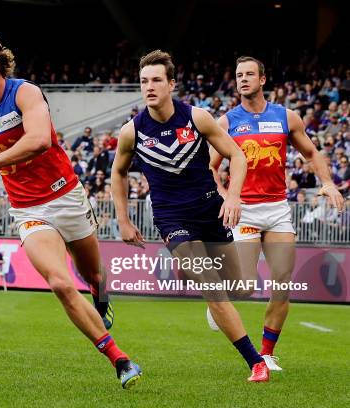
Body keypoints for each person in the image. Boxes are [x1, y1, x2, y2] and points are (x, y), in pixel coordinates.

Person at [0, 29, 141, 389]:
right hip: (28, 210)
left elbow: (40, 140)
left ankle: (100, 299)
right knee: (59, 283)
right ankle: (119, 359)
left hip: (67, 196)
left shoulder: (24, 92)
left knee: (95, 276)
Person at [111, 50, 270, 382]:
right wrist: (124, 220)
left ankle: (217, 308)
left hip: (211, 211)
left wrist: (234, 196)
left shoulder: (197, 118)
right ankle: (256, 362)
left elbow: (237, 156)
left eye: (156, 80)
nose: (149, 87)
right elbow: (119, 173)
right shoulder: (132, 131)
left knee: (239, 287)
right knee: (211, 288)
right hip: (172, 220)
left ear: (171, 83)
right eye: (144, 81)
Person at [209, 56, 345, 370]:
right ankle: (217, 299)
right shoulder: (227, 123)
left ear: (263, 79)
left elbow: (311, 152)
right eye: (239, 75)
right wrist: (228, 197)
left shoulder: (286, 117)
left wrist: (326, 182)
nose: (243, 79)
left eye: (249, 74)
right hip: (245, 211)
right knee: (243, 287)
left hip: (277, 210)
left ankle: (266, 354)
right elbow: (210, 167)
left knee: (282, 283)